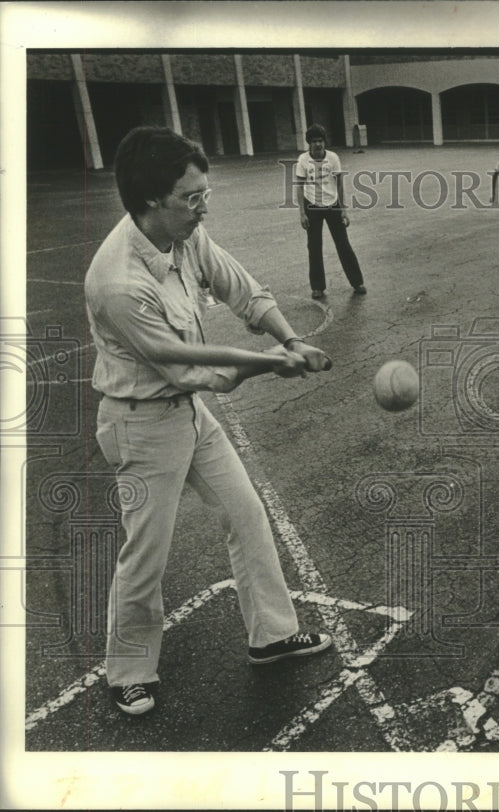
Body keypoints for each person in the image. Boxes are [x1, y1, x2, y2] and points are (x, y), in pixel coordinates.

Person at [85, 126, 335, 716]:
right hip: (140, 424)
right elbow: (194, 367)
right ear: (151, 201)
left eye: (205, 193)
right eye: (190, 197)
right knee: (147, 551)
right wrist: (272, 363)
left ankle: (271, 636)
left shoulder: (186, 235)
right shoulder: (117, 282)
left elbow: (242, 289)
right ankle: (127, 669)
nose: (203, 207)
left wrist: (291, 337)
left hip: (187, 415)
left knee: (246, 513)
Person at [295, 123, 366, 298]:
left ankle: (357, 282)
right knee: (314, 247)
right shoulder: (303, 160)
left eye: (320, 140)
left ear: (324, 142)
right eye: (314, 141)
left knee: (343, 244)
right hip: (312, 204)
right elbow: (299, 187)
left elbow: (340, 184)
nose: (318, 144)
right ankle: (317, 287)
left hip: (332, 204)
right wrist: (302, 213)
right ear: (309, 144)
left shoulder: (333, 158)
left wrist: (343, 210)